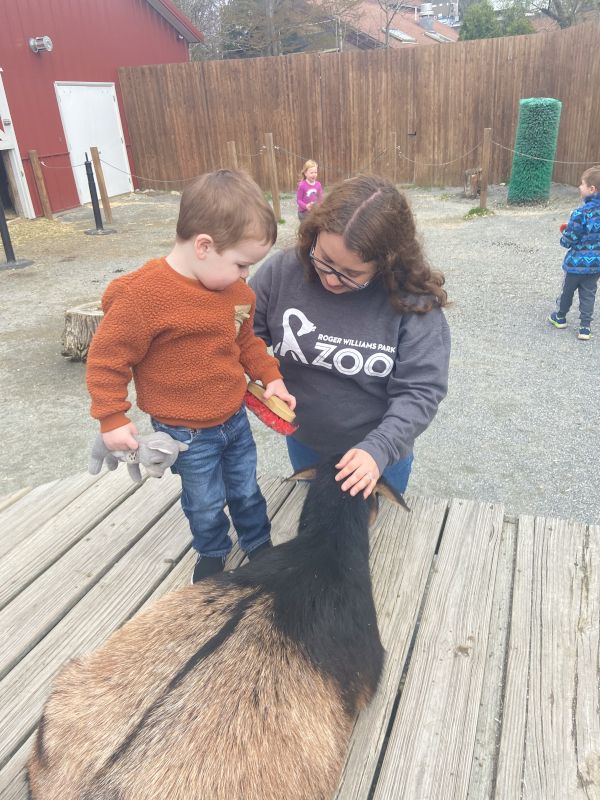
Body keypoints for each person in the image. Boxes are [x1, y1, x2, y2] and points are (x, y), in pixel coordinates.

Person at [86, 169, 295, 582]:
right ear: (204, 246)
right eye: (241, 264)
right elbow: (107, 359)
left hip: (234, 420)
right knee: (204, 501)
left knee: (247, 490)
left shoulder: (236, 294)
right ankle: (213, 551)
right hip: (184, 433)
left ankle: (258, 545)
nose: (245, 276)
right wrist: (112, 417)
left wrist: (272, 377)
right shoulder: (143, 296)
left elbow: (247, 342)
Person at [250, 174, 450, 500]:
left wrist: (379, 448)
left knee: (374, 542)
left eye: (352, 274)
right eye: (324, 260)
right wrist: (261, 375)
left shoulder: (413, 301)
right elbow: (244, 338)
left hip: (379, 455)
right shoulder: (281, 273)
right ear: (313, 233)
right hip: (306, 442)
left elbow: (421, 390)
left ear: (388, 264)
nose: (330, 279)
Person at [548, 165, 600, 341]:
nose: (579, 187)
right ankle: (585, 327)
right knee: (589, 293)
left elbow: (570, 237)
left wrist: (564, 237)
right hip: (595, 265)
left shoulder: (580, 213)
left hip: (576, 264)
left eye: (582, 184)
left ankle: (560, 317)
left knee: (567, 290)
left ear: (592, 189)